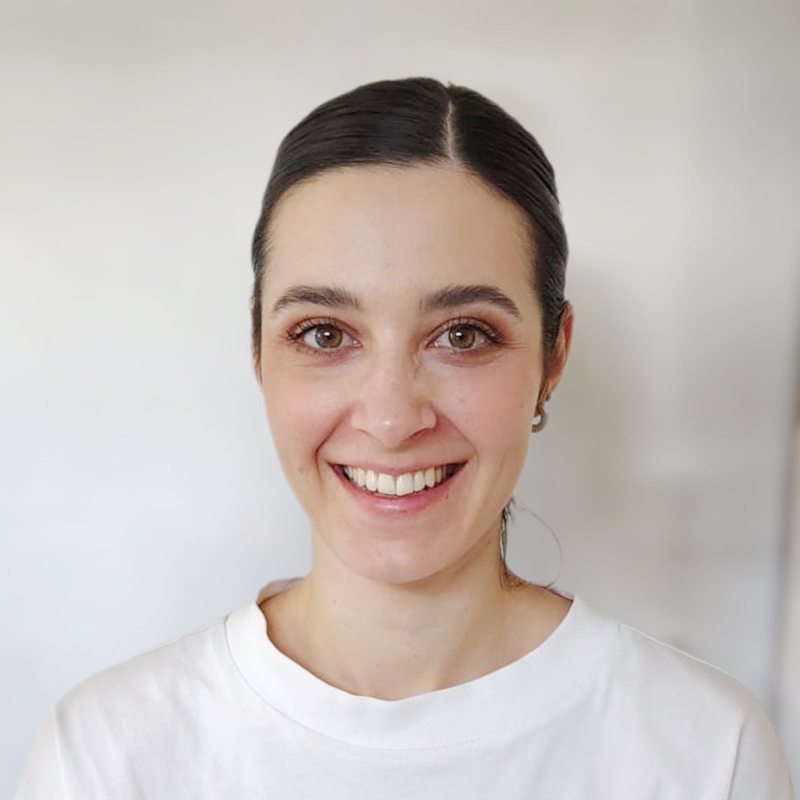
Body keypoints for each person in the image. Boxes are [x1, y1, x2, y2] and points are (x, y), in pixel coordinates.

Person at [14, 77, 794, 799]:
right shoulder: (105, 757)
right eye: (324, 333)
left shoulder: (705, 753)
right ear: (257, 349)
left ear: (553, 358)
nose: (391, 420)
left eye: (463, 335)